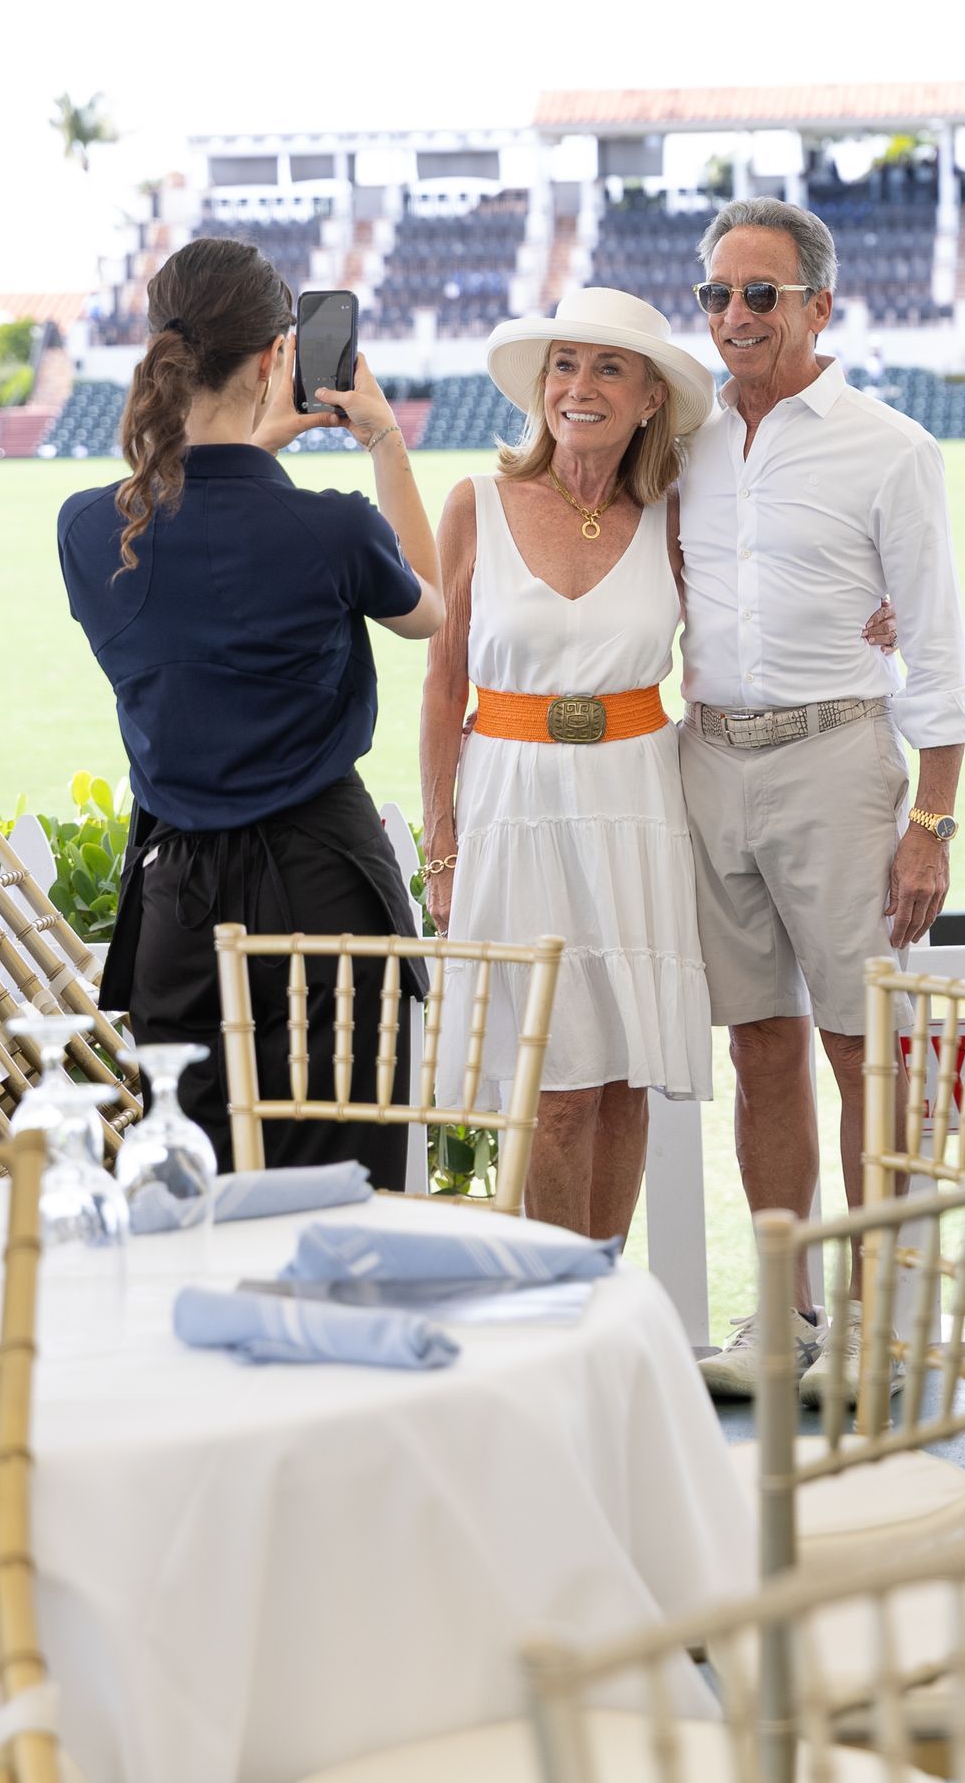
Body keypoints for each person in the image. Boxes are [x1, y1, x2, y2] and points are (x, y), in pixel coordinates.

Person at [677, 198, 965, 1404]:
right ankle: (788, 1312)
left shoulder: (889, 447)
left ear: (819, 305)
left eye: (761, 294)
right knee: (761, 1051)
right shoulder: (683, 438)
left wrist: (934, 824)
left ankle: (877, 1318)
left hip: (837, 759)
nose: (736, 317)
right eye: (716, 295)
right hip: (708, 762)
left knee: (865, 1053)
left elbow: (942, 650)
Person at [59, 237, 443, 1182]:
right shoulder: (335, 528)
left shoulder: (85, 527)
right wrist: (382, 436)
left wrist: (254, 443)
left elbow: (198, 512)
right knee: (345, 1199)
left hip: (179, 910)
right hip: (328, 896)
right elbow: (429, 605)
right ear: (278, 356)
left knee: (196, 1191)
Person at [418, 289, 718, 1239]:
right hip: (512, 807)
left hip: (636, 803)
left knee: (624, 1079)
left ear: (649, 401)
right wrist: (441, 841)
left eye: (608, 368)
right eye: (564, 365)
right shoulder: (477, 504)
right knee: (550, 1089)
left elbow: (763, 607)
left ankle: (605, 1306)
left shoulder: (676, 513)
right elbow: (440, 682)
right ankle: (562, 1311)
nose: (578, 387)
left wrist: (871, 624)